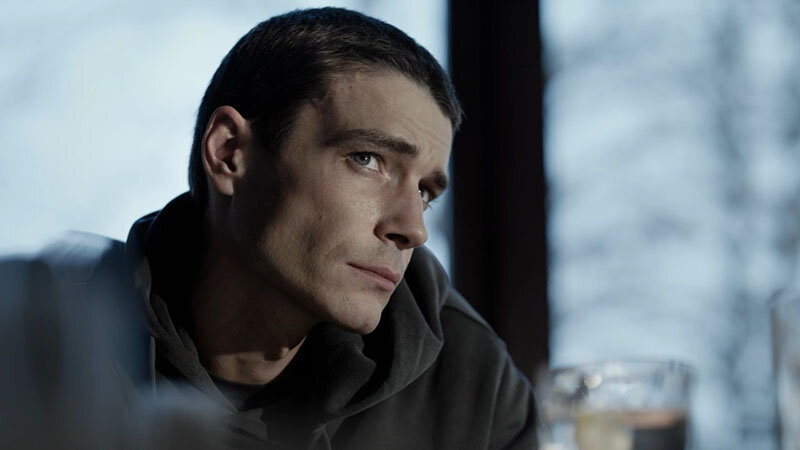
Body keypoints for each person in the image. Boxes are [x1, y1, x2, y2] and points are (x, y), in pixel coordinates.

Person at [3, 7, 537, 449]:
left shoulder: (469, 380)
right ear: (229, 153)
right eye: (367, 159)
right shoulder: (44, 352)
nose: (413, 229)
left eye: (424, 191)